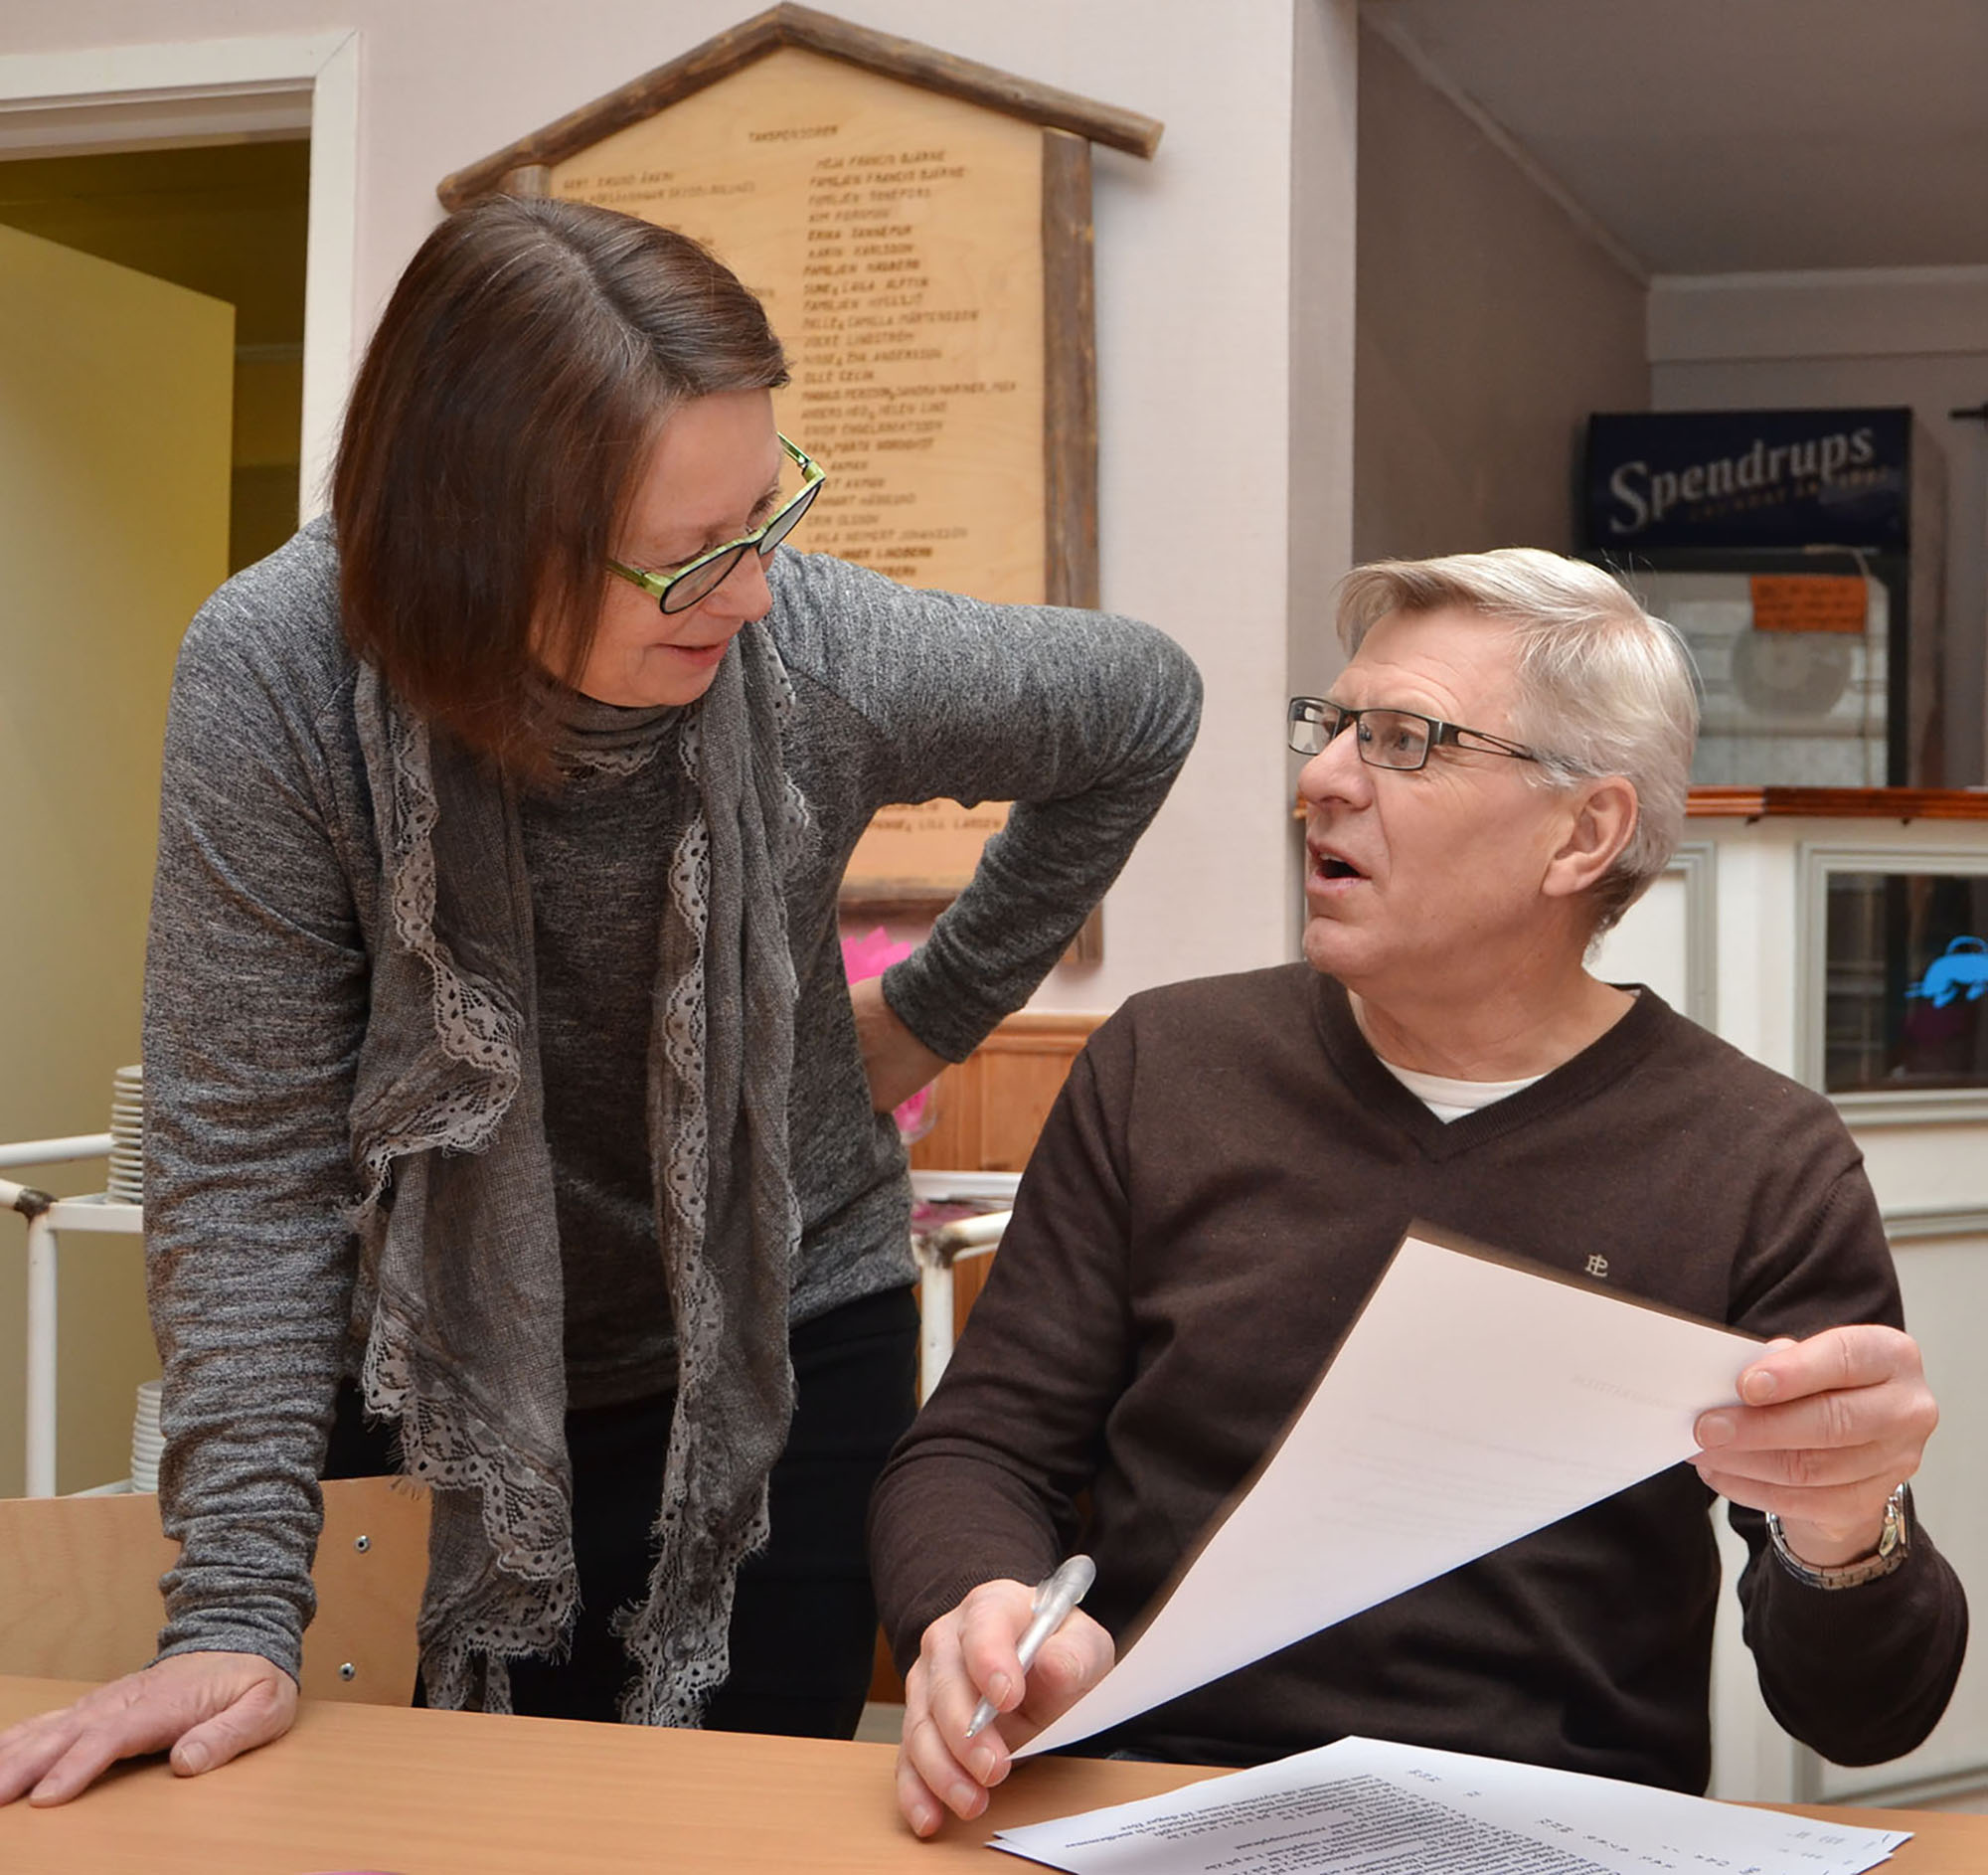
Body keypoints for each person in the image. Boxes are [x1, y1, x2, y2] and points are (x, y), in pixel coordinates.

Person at [0, 195, 1200, 1806]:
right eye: (693, 557)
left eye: (767, 517)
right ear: (472, 550)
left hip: (776, 1363)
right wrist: (232, 1608)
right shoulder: (279, 673)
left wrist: (925, 1014)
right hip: (429, 1373)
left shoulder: (818, 652)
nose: (756, 594)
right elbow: (246, 1169)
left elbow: (1144, 709)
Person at [871, 547, 1967, 1838]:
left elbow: (1867, 1713)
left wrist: (1846, 1535)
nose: (1321, 780)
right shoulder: (1165, 1068)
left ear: (1585, 832)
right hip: (1167, 1806)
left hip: (1567, 1829)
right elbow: (981, 1446)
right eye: (1331, 728)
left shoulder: (1758, 1158)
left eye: (1401, 740)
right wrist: (985, 1609)